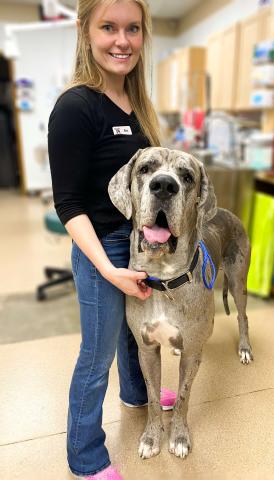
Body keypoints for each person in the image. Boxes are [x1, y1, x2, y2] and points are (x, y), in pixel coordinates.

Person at [48, 1, 176, 478]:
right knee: (96, 354)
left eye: (132, 29)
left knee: (135, 333)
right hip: (102, 249)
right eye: (108, 27)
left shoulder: (137, 106)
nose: (122, 40)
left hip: (142, 243)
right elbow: (69, 205)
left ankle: (137, 393)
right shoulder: (75, 107)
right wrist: (108, 268)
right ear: (85, 31)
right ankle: (85, 458)